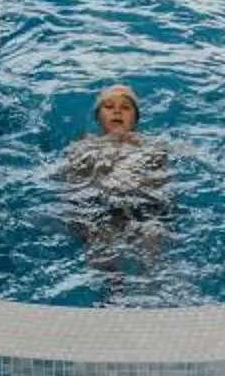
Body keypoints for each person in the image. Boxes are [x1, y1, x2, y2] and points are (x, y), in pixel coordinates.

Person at [59, 84, 174, 288]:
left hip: (143, 205)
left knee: (151, 238)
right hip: (99, 205)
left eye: (126, 107)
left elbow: (163, 177)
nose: (117, 110)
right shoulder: (84, 145)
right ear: (98, 118)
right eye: (109, 106)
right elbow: (71, 181)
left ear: (136, 120)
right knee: (100, 245)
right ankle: (113, 293)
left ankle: (153, 288)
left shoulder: (152, 145)